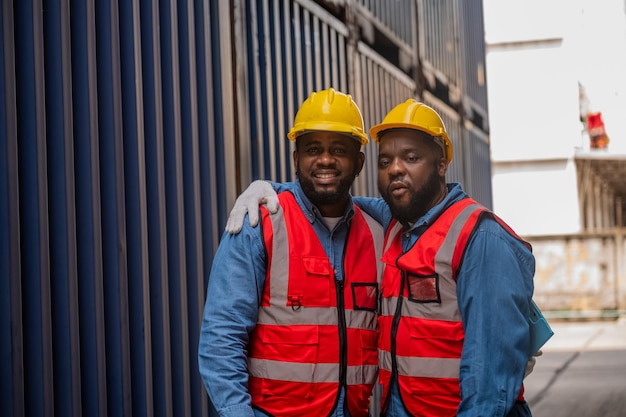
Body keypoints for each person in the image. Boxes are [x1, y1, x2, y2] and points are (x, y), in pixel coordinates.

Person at [227, 100, 537, 416]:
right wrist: (268, 189)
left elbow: (490, 383)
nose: (396, 168)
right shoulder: (394, 224)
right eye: (386, 160)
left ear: (441, 164)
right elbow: (325, 192)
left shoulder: (479, 236)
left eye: (411, 157)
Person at [198, 88, 384, 417]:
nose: (325, 159)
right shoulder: (260, 223)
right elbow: (221, 340)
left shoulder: (379, 232)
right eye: (313, 149)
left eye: (338, 149)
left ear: (359, 161)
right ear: (296, 159)